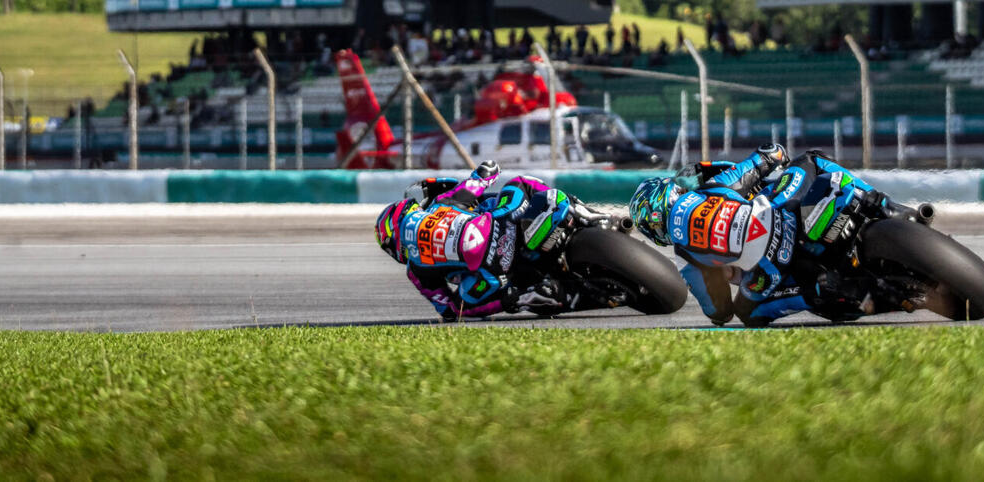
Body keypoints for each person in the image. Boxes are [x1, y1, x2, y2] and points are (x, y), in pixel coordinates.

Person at [629, 144, 891, 326]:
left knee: (748, 313)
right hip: (784, 212)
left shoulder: (684, 256)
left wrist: (722, 278)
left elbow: (719, 310)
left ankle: (817, 289)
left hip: (771, 270)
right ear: (671, 191)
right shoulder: (710, 187)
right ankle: (878, 202)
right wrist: (775, 154)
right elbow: (760, 161)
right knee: (811, 159)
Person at [374, 160, 579, 321]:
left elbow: (447, 311)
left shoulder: (415, 270)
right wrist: (488, 169)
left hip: (492, 273)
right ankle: (572, 207)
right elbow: (479, 180)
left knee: (461, 308)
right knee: (521, 182)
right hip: (501, 224)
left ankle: (521, 296)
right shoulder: (439, 204)